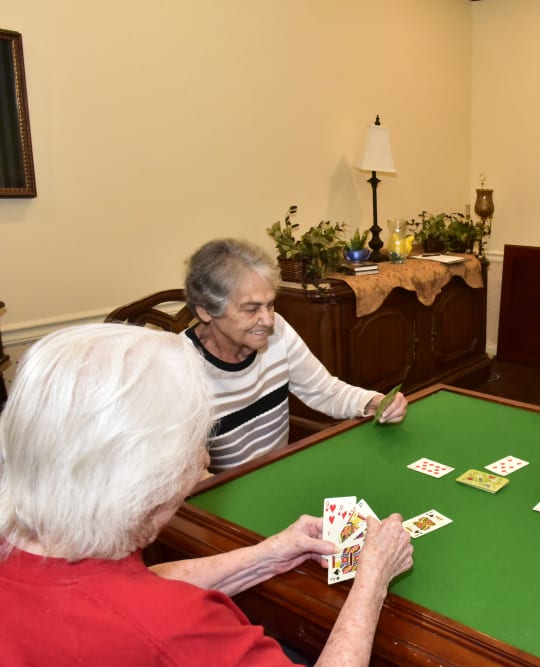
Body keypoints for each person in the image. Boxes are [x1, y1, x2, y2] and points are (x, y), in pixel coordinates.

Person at [0, 323, 413, 666]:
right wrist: (374, 575)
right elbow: (145, 612)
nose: (202, 460)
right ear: (142, 479)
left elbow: (121, 587)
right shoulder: (172, 628)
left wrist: (268, 554)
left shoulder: (31, 541)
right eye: (195, 442)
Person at [184, 238, 408, 472]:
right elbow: (186, 477)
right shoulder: (177, 368)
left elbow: (324, 391)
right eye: (251, 309)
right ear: (206, 311)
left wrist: (373, 403)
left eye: (270, 305)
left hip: (278, 473)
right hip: (220, 494)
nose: (268, 320)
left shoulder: (276, 330)